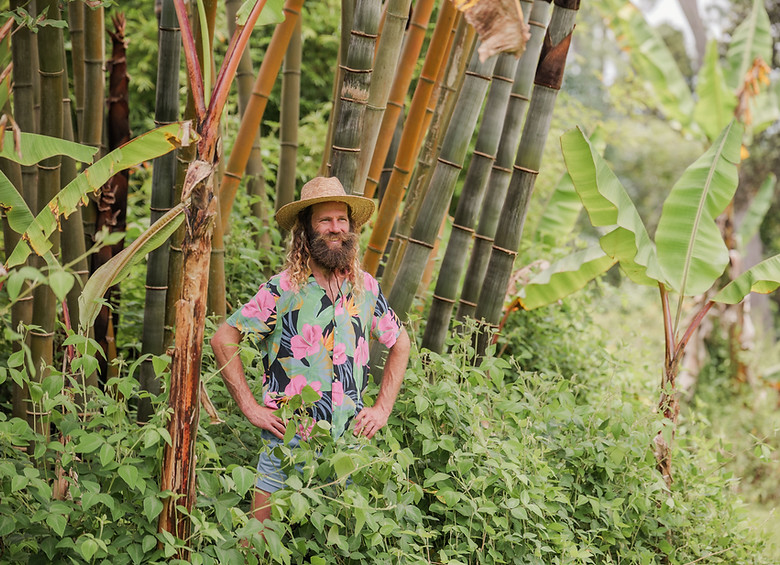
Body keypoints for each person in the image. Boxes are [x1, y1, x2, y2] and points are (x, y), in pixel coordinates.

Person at [211, 176, 411, 525]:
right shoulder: (282, 290)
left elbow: (401, 342)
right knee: (258, 540)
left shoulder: (365, 289)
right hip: (287, 443)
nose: (336, 228)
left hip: (347, 447)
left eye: (342, 219)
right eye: (325, 220)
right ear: (306, 229)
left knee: (337, 544)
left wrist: (382, 409)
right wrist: (250, 407)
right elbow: (223, 338)